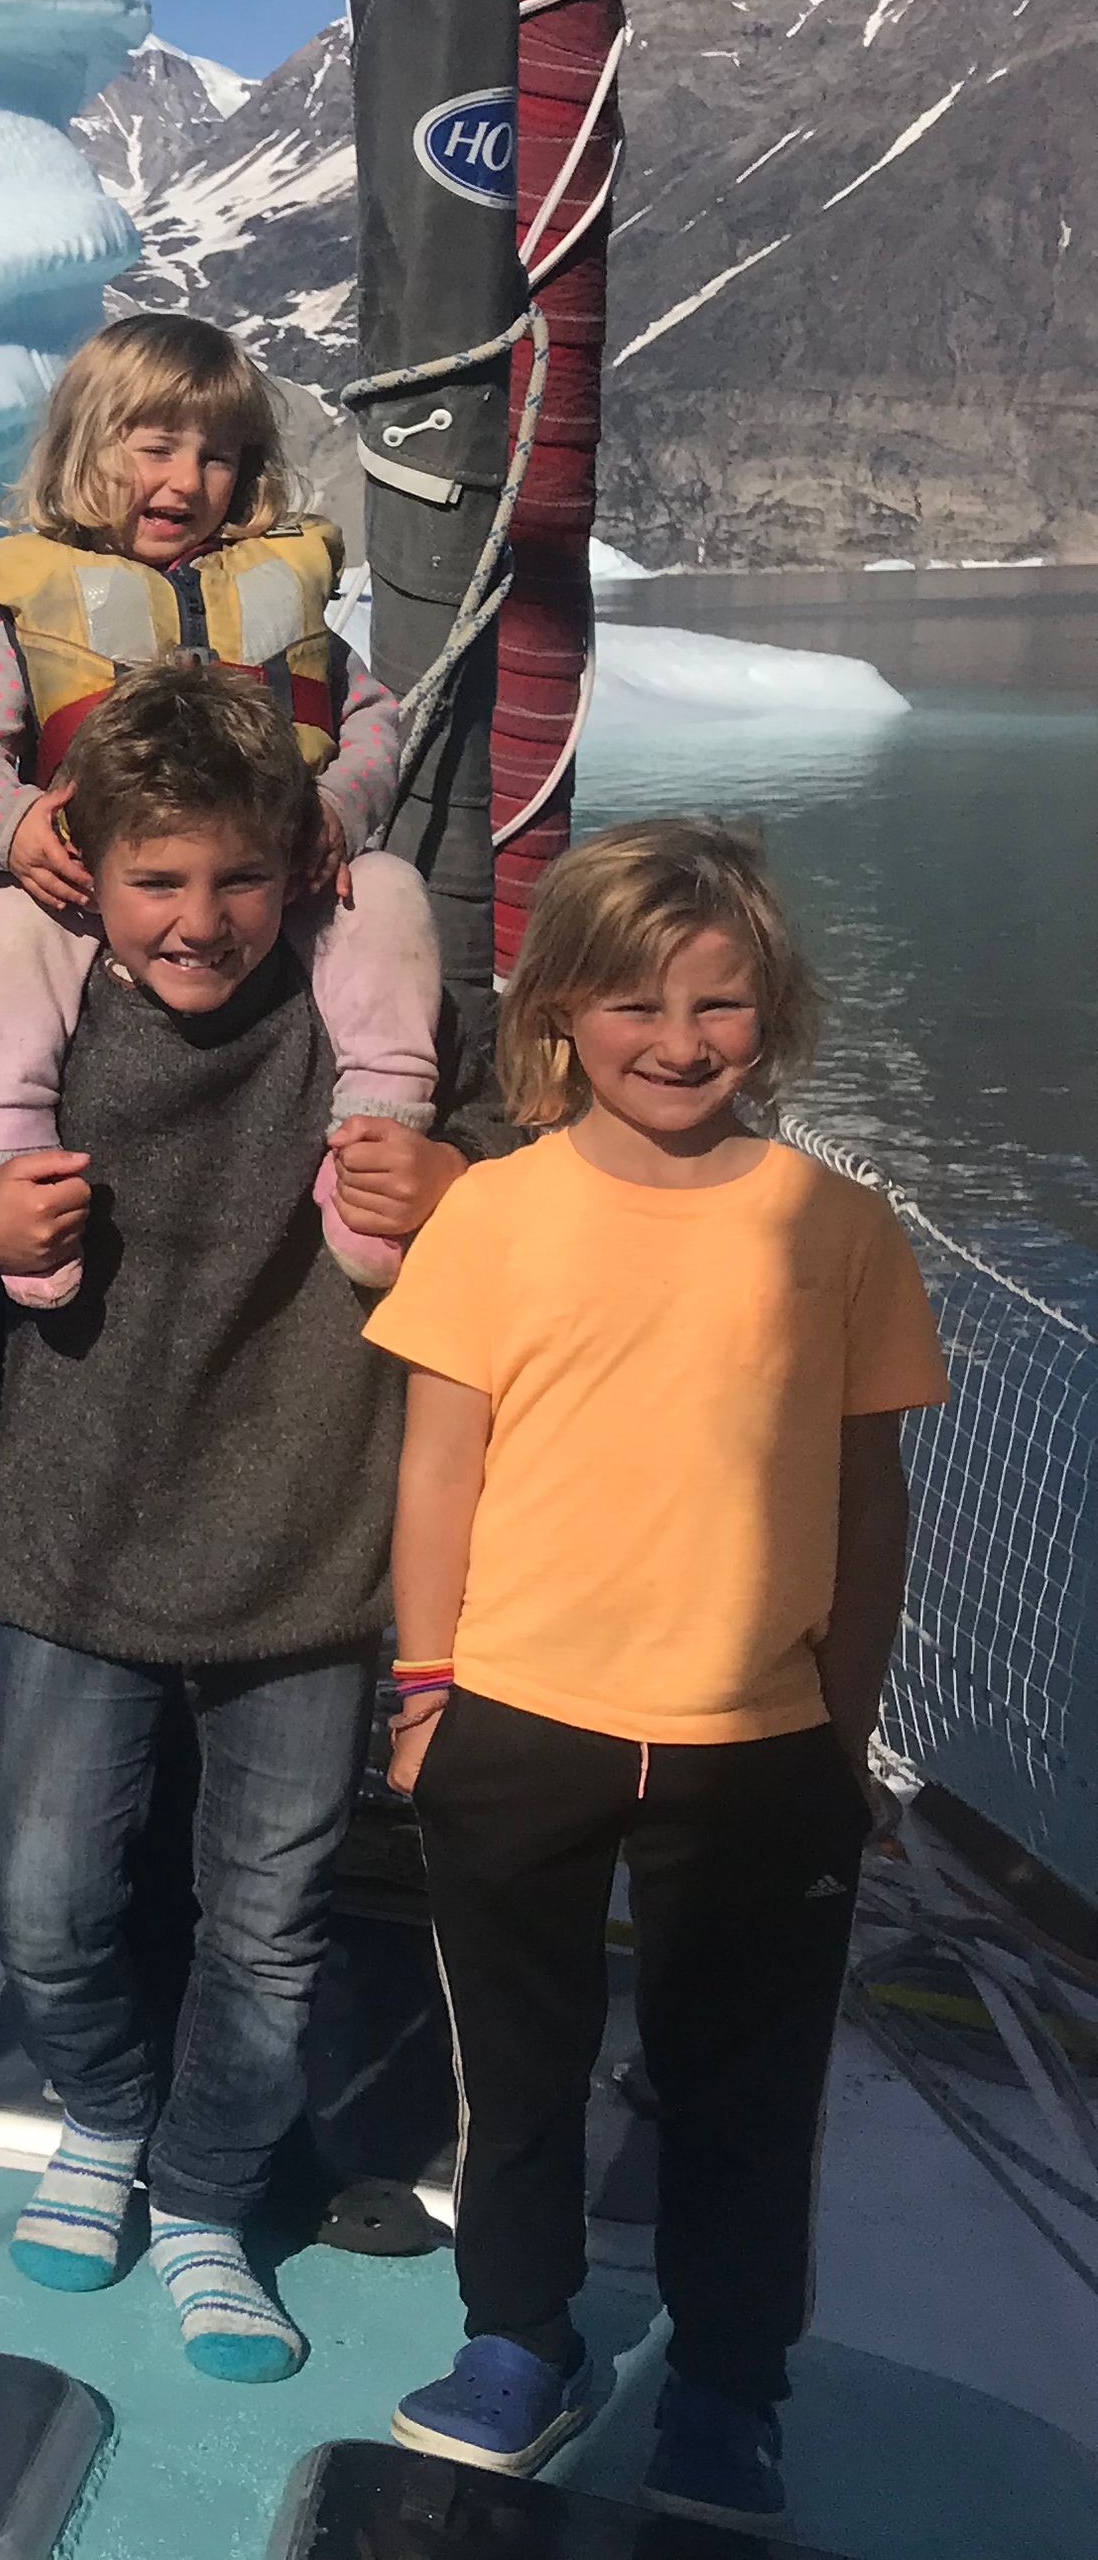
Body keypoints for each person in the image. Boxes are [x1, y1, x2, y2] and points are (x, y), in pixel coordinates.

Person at [0, 661, 486, 2387]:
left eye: (236, 878)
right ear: (95, 872)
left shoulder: (370, 996)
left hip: (308, 1536)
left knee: (269, 1922)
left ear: (297, 865)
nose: (200, 919)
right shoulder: (30, 1003)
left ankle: (208, 2200)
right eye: (161, 881)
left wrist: (461, 1193)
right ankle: (110, 2120)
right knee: (50, 1896)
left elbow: (512, 1171)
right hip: (77, 1528)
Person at [368, 823, 945, 2528]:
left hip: (758, 1735)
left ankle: (724, 2387)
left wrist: (848, 1725)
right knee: (521, 2072)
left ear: (777, 1010)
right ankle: (519, 2338)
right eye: (635, 1003)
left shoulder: (837, 1227)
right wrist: (424, 1689)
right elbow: (438, 1470)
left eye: (721, 1003)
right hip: (519, 1717)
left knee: (743, 2088)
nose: (680, 1040)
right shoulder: (495, 1218)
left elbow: (867, 1494)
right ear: (557, 1016)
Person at [0, 314, 442, 1304]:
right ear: (87, 447)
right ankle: (10, 1146)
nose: (184, 480)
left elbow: (373, 726)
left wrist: (335, 806)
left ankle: (380, 1134)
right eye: (154, 446)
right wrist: (16, 828)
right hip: (96, 891)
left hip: (270, 880)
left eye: (216, 456)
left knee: (386, 891)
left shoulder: (280, 600)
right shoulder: (34, 612)